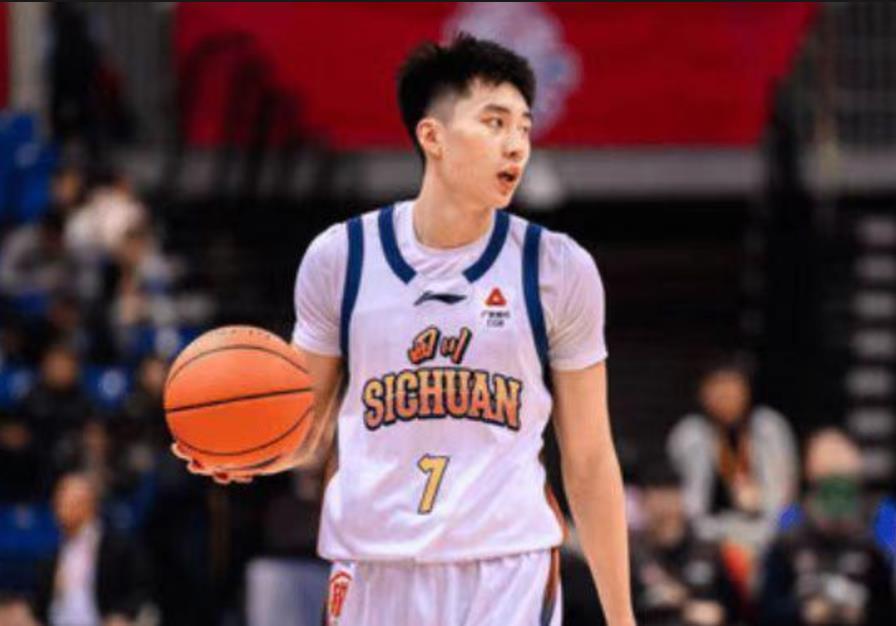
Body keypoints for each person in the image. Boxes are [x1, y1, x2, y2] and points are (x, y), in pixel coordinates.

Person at [173, 34, 635, 626]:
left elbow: (589, 457)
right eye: (494, 123)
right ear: (432, 136)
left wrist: (621, 616)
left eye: (524, 127)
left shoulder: (558, 268)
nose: (516, 145)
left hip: (506, 571)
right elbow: (308, 430)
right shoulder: (341, 258)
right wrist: (251, 453)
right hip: (372, 567)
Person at [758, 429, 895, 626]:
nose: (835, 463)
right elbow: (768, 604)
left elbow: (888, 596)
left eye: (840, 455)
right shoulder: (790, 519)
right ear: (810, 472)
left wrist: (863, 612)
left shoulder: (883, 514)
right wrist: (804, 613)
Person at [32, 472, 152, 626]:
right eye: (58, 503)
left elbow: (139, 589)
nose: (59, 509)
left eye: (67, 502)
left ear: (89, 504)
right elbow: (40, 604)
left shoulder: (117, 546)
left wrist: (122, 615)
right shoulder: (52, 553)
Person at [630, 463, 741, 626]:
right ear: (643, 501)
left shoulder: (708, 549)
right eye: (658, 496)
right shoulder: (631, 554)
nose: (665, 504)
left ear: (681, 497)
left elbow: (733, 608)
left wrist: (693, 607)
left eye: (671, 494)